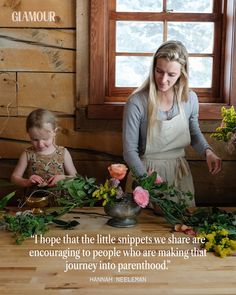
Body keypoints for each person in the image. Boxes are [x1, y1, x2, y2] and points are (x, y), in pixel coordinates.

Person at [123, 40, 221, 206]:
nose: (163, 80)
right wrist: (147, 181)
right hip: (145, 173)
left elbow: (194, 132)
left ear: (182, 73)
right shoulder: (137, 102)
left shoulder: (190, 99)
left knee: (182, 228)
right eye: (159, 71)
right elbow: (129, 151)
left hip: (179, 174)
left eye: (171, 75)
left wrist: (208, 152)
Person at [11, 108, 77, 190]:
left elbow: (75, 178)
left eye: (45, 139)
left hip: (59, 200)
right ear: (29, 134)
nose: (40, 144)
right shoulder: (27, 154)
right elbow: (14, 178)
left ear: (54, 132)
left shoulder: (63, 153)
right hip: (34, 199)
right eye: (35, 139)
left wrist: (63, 178)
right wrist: (27, 182)